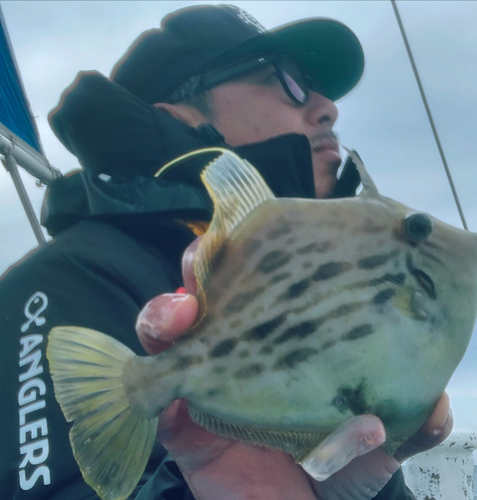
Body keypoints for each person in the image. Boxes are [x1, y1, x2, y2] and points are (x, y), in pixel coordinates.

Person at [0, 5, 452, 500]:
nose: (327, 107)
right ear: (179, 117)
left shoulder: (311, 291)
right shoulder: (66, 280)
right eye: (285, 79)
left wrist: (362, 487)